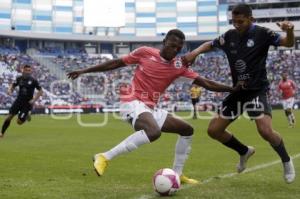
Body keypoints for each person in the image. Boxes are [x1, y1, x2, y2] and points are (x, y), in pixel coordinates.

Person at [68, 29, 239, 184]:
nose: (175, 50)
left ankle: (178, 174)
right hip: (131, 102)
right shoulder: (145, 52)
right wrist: (84, 71)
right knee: (153, 132)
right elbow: (115, 63)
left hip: (149, 108)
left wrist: (231, 89)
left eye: (179, 48)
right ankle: (104, 156)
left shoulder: (178, 67)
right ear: (164, 42)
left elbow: (206, 82)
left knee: (187, 130)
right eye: (173, 45)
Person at [184, 4, 295, 183]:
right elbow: (209, 44)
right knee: (213, 130)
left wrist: (290, 31)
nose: (237, 25)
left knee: (265, 131)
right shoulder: (229, 36)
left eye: (240, 21)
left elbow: (288, 43)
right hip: (238, 91)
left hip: (257, 90)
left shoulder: (262, 34)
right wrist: (194, 53)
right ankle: (244, 151)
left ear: (251, 19)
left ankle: (286, 160)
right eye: (234, 21)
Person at [1, 65, 43, 138]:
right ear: (22, 70)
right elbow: (13, 85)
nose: (28, 72)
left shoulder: (33, 80)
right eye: (26, 70)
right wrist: (10, 90)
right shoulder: (19, 78)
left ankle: (26, 115)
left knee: (19, 122)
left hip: (27, 104)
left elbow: (40, 91)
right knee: (9, 117)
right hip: (18, 101)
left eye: (29, 70)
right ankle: (2, 133)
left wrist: (34, 100)